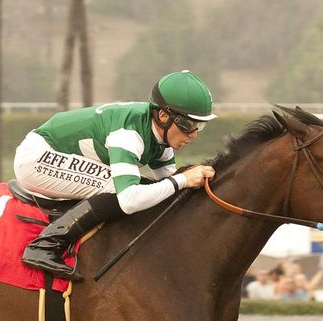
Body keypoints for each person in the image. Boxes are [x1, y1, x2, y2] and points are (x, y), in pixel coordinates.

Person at [14, 70, 217, 280]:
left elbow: (169, 187)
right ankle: (45, 245)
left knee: (148, 188)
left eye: (199, 126)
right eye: (188, 125)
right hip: (38, 157)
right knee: (118, 187)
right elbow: (129, 200)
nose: (193, 135)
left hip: (56, 153)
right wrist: (183, 179)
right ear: (163, 116)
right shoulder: (128, 135)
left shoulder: (160, 138)